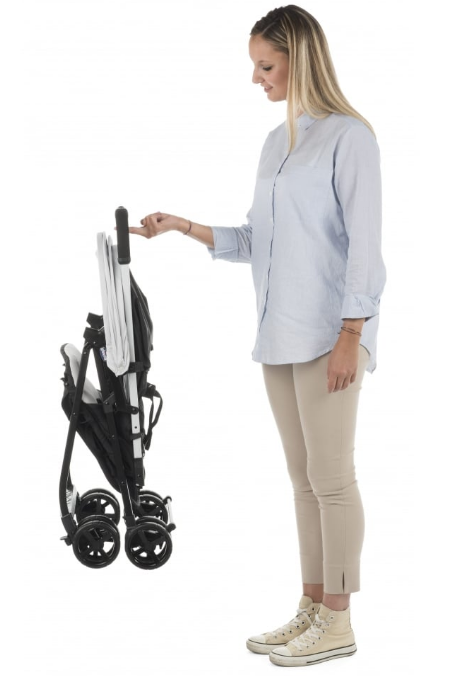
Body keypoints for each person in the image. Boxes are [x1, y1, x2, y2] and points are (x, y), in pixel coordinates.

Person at [129, 4, 386, 669]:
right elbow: (257, 241)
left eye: (266, 65)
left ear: (300, 60)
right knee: (303, 480)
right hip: (279, 334)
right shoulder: (278, 143)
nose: (256, 78)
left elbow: (365, 248)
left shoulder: (350, 138)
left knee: (333, 479)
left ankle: (339, 620)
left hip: (330, 334)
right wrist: (184, 227)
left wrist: (352, 332)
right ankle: (312, 605)